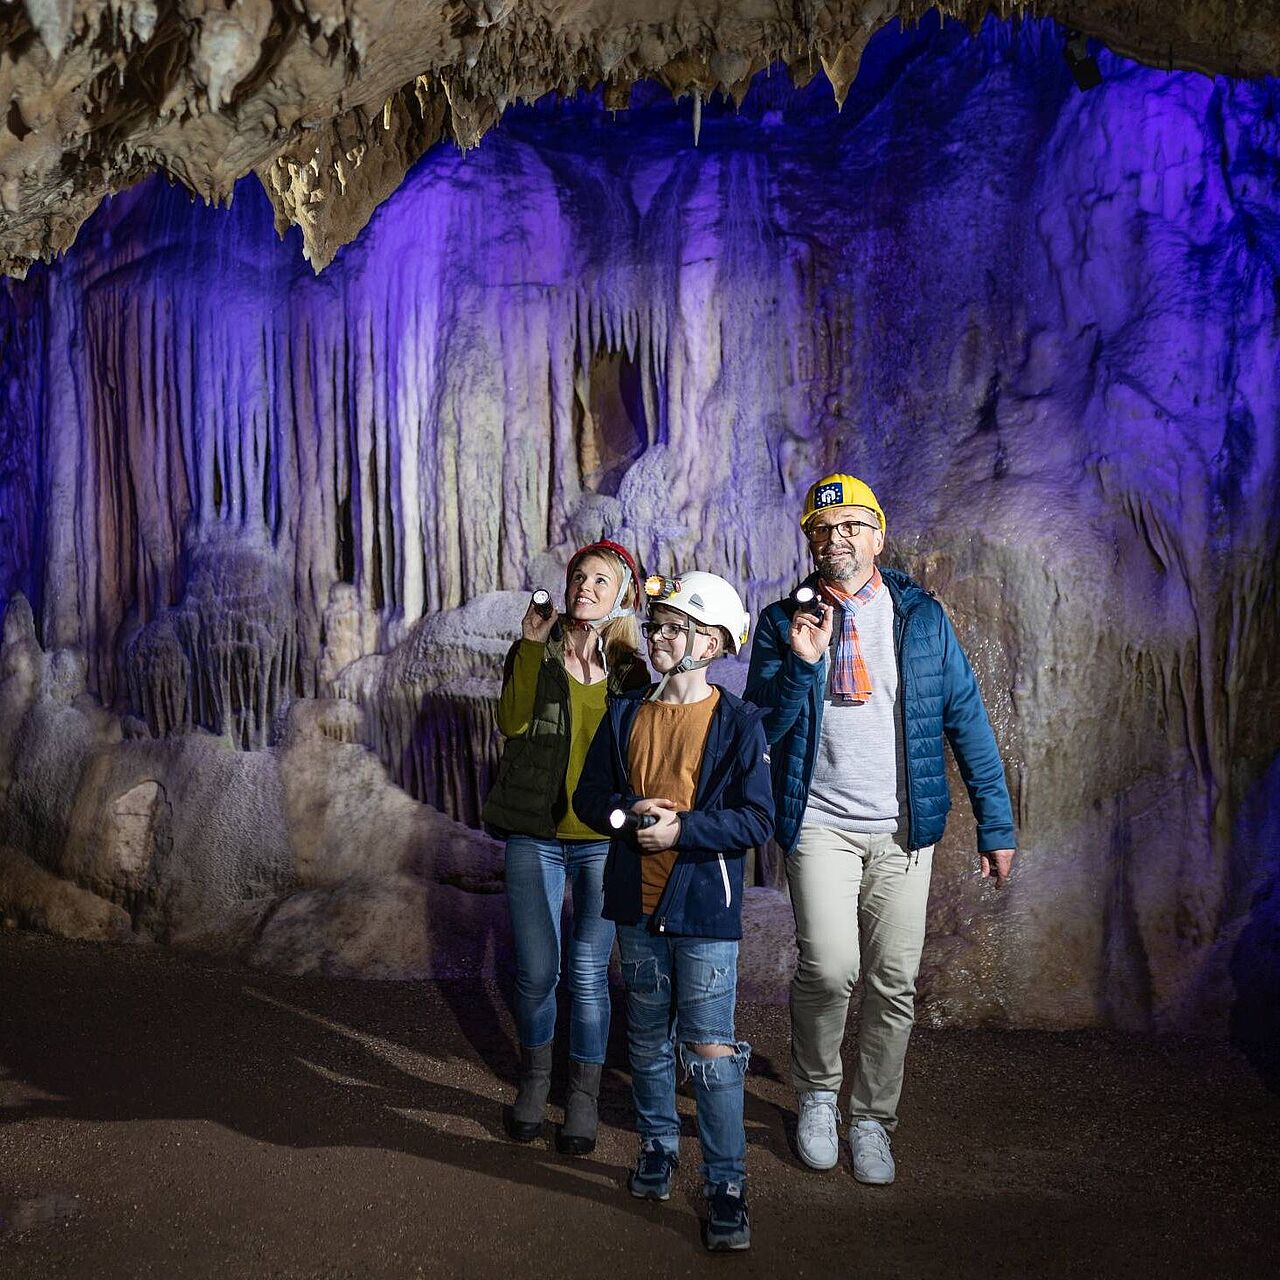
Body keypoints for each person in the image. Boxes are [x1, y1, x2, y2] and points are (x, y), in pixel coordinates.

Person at [745, 473, 1016, 1185]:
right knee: (830, 969)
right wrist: (802, 668)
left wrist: (997, 821)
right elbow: (760, 734)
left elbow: (966, 718)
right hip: (820, 824)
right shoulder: (782, 621)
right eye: (824, 529)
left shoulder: (921, 617)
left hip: (904, 830)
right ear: (810, 539)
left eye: (852, 526)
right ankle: (817, 1097)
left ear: (878, 535)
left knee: (894, 981)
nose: (838, 539)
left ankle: (872, 1119)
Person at [575, 571, 773, 1253]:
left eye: (674, 628)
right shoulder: (626, 712)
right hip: (636, 904)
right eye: (656, 626)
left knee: (710, 1049)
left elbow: (757, 821)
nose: (658, 638)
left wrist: (684, 831)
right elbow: (588, 800)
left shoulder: (740, 722)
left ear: (712, 642)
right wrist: (626, 815)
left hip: (704, 914)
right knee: (648, 1037)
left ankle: (726, 1182)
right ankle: (658, 1146)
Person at [482, 539, 648, 1155]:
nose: (585, 588)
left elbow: (644, 746)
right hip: (537, 833)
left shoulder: (630, 668)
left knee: (586, 971)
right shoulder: (537, 652)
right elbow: (512, 722)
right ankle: (534, 1081)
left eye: (600, 581)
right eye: (579, 577)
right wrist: (528, 644)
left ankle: (581, 1096)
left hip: (600, 839)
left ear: (621, 595)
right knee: (536, 972)